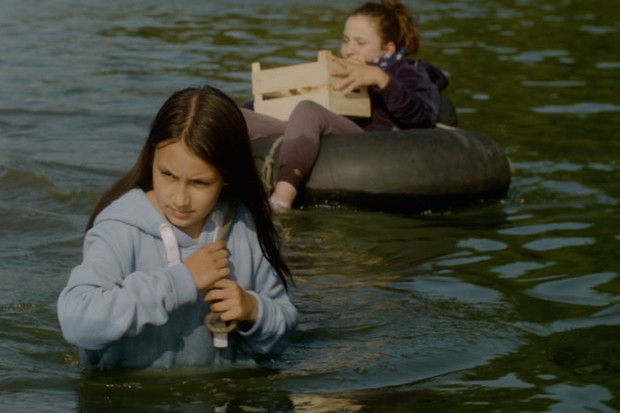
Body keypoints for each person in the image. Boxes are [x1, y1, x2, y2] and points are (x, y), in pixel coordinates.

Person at [57, 85, 298, 369]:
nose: (180, 198)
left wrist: (254, 310)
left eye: (200, 182)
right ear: (152, 158)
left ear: (227, 177)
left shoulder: (247, 227)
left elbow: (281, 336)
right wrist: (181, 280)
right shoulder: (119, 227)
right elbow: (77, 322)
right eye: (168, 175)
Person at [241, 0, 450, 212]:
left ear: (388, 48)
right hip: (314, 132)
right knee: (241, 113)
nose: (349, 50)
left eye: (360, 42)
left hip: (364, 142)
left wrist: (381, 79)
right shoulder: (337, 69)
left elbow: (423, 117)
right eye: (346, 40)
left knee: (308, 109)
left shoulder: (406, 72)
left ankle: (281, 199)